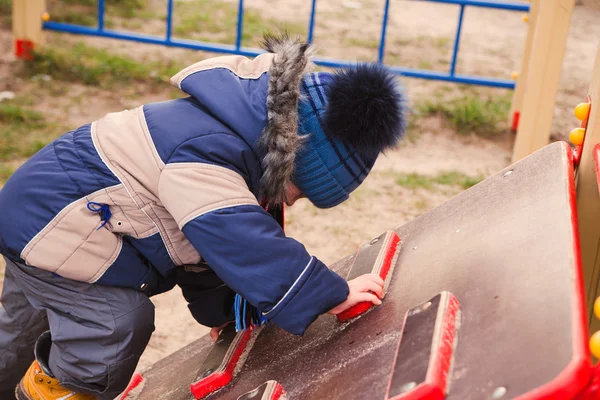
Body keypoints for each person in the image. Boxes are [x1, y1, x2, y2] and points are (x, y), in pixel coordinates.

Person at [0, 33, 406, 400]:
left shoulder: (232, 138)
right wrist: (329, 293)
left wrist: (226, 312)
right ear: (290, 160)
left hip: (42, 217)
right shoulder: (210, 151)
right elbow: (238, 238)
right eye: (299, 192)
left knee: (18, 333)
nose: (293, 203)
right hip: (55, 226)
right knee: (113, 327)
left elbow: (202, 248)